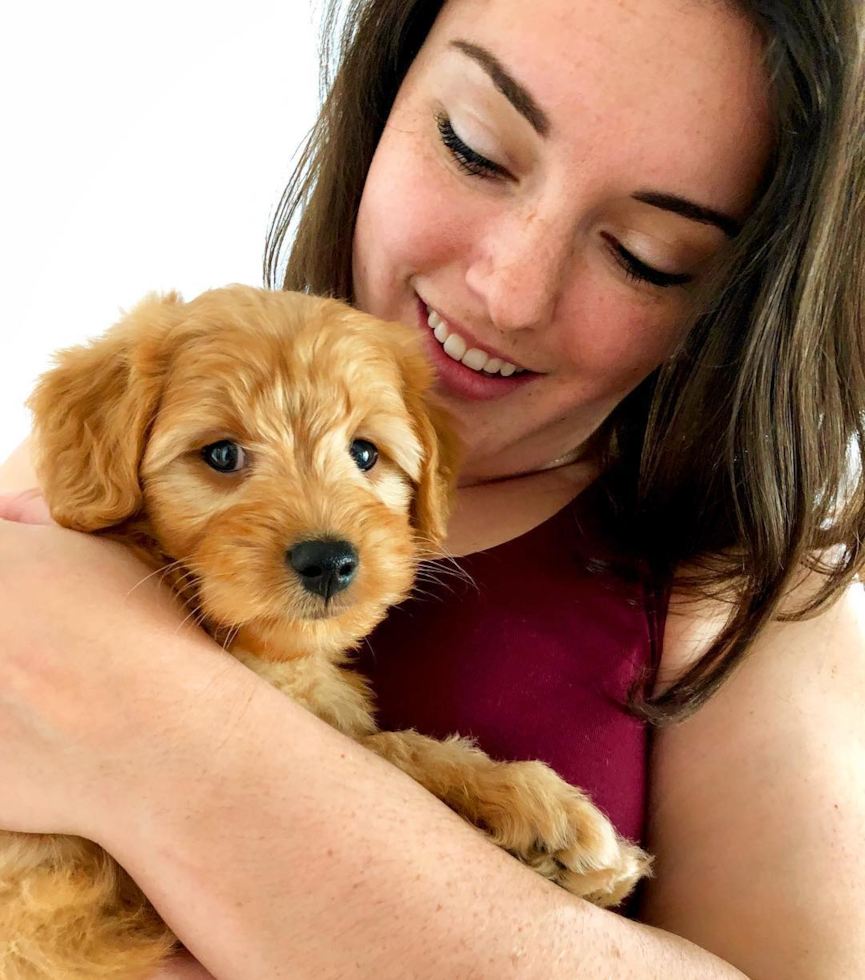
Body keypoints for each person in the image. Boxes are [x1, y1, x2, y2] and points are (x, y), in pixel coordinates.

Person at [1, 0, 863, 976]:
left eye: (645, 255)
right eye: (475, 148)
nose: (510, 289)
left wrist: (169, 728)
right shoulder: (132, 425)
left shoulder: (747, 598)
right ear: (383, 92)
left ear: (734, 295)